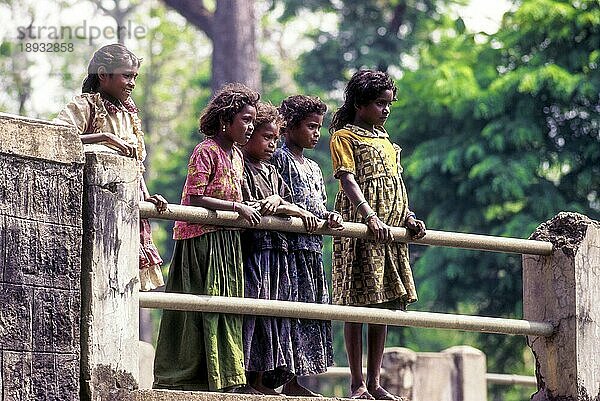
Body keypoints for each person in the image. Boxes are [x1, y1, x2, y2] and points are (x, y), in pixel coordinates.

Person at [153, 83, 262, 393]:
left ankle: (228, 377)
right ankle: (189, 376)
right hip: (200, 238)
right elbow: (197, 197)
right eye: (245, 119)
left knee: (229, 307)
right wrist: (236, 206)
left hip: (227, 240)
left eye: (252, 120)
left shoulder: (238, 156)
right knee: (203, 306)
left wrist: (248, 206)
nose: (249, 126)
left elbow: (236, 194)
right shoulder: (206, 151)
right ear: (225, 121)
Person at [329, 69, 426, 400]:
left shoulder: (385, 140)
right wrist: (368, 216)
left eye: (388, 104)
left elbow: (398, 184)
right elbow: (347, 179)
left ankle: (374, 381)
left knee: (382, 305)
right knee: (357, 303)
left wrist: (409, 217)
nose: (386, 110)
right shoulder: (344, 136)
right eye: (379, 103)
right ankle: (356, 382)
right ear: (360, 103)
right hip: (363, 226)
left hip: (390, 229)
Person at [54, 43, 167, 291]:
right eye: (126, 75)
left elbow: (135, 164)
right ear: (104, 75)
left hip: (127, 205)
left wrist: (148, 198)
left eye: (135, 76)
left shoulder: (129, 115)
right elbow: (57, 136)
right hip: (95, 205)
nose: (132, 83)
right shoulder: (86, 106)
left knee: (123, 280)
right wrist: (103, 138)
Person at [240, 101, 324, 394]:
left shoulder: (276, 170)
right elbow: (255, 204)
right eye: (266, 137)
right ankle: (249, 379)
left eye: (274, 138)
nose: (271, 144)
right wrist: (284, 206)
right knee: (256, 310)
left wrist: (294, 208)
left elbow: (287, 200)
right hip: (257, 251)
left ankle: (272, 380)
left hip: (281, 251)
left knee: (280, 314)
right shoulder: (248, 166)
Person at [270, 95, 343, 397]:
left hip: (312, 249)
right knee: (288, 311)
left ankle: (295, 379)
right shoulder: (279, 157)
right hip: (288, 248)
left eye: (319, 127)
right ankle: (274, 376)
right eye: (311, 126)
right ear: (289, 127)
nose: (317, 133)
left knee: (310, 313)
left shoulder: (313, 166)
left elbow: (318, 203)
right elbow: (276, 197)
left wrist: (330, 216)